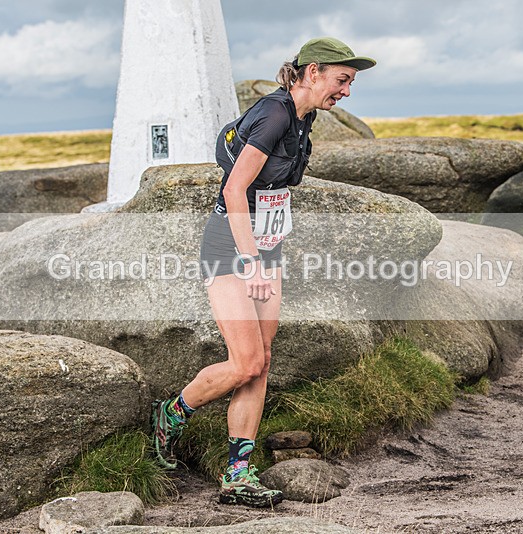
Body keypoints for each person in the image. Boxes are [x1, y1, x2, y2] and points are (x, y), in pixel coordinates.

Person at [151, 37, 375, 508]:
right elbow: (235, 191)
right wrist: (250, 260)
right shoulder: (274, 114)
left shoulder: (304, 117)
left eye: (350, 83)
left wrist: (268, 248)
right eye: (342, 80)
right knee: (246, 362)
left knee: (263, 360)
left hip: (266, 247)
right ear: (312, 72)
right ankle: (171, 414)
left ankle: (237, 472)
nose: (347, 91)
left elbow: (273, 191)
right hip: (231, 248)